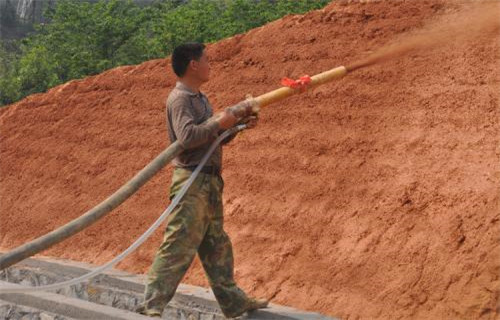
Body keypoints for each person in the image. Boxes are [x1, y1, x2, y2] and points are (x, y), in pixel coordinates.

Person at [135, 42, 269, 318]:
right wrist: (223, 121)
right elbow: (188, 138)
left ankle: (233, 302)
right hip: (191, 181)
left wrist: (239, 125)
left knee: (216, 243)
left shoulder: (200, 98)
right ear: (193, 65)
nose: (210, 64)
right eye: (206, 60)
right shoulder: (180, 99)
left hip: (208, 181)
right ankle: (150, 306)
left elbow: (214, 138)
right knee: (179, 243)